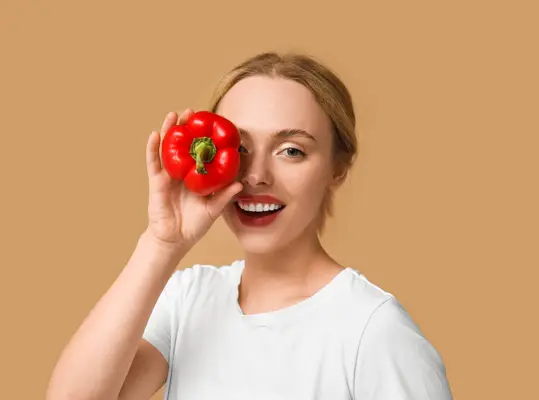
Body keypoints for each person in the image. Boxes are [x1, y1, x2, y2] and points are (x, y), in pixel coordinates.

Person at [46, 52, 453, 400]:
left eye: (292, 150)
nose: (256, 175)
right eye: (238, 148)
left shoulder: (374, 329)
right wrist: (160, 243)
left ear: (337, 168)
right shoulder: (189, 300)